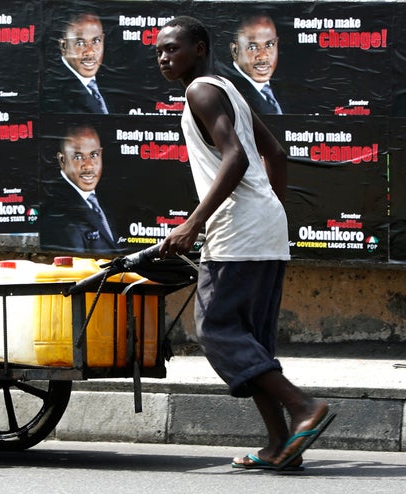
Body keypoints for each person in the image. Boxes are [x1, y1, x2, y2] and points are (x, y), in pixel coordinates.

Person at [155, 16, 334, 470]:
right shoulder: (227, 88)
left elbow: (235, 156)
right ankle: (279, 445)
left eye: (173, 48)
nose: (163, 57)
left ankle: (303, 408)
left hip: (238, 232)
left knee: (215, 328)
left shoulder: (201, 91)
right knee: (251, 342)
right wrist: (271, 209)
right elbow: (275, 153)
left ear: (199, 48)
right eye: (158, 51)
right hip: (261, 227)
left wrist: (193, 222)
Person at [40, 123, 120, 253]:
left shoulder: (102, 199)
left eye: (94, 155)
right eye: (78, 157)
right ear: (62, 160)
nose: (88, 166)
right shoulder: (57, 216)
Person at [41, 12, 109, 114]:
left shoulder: (113, 82)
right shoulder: (52, 94)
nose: (90, 52)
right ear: (63, 46)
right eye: (80, 43)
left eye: (96, 41)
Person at [216, 14, 284, 115]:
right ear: (235, 50)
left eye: (269, 45)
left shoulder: (289, 92)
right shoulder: (224, 92)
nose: (262, 56)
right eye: (252, 47)